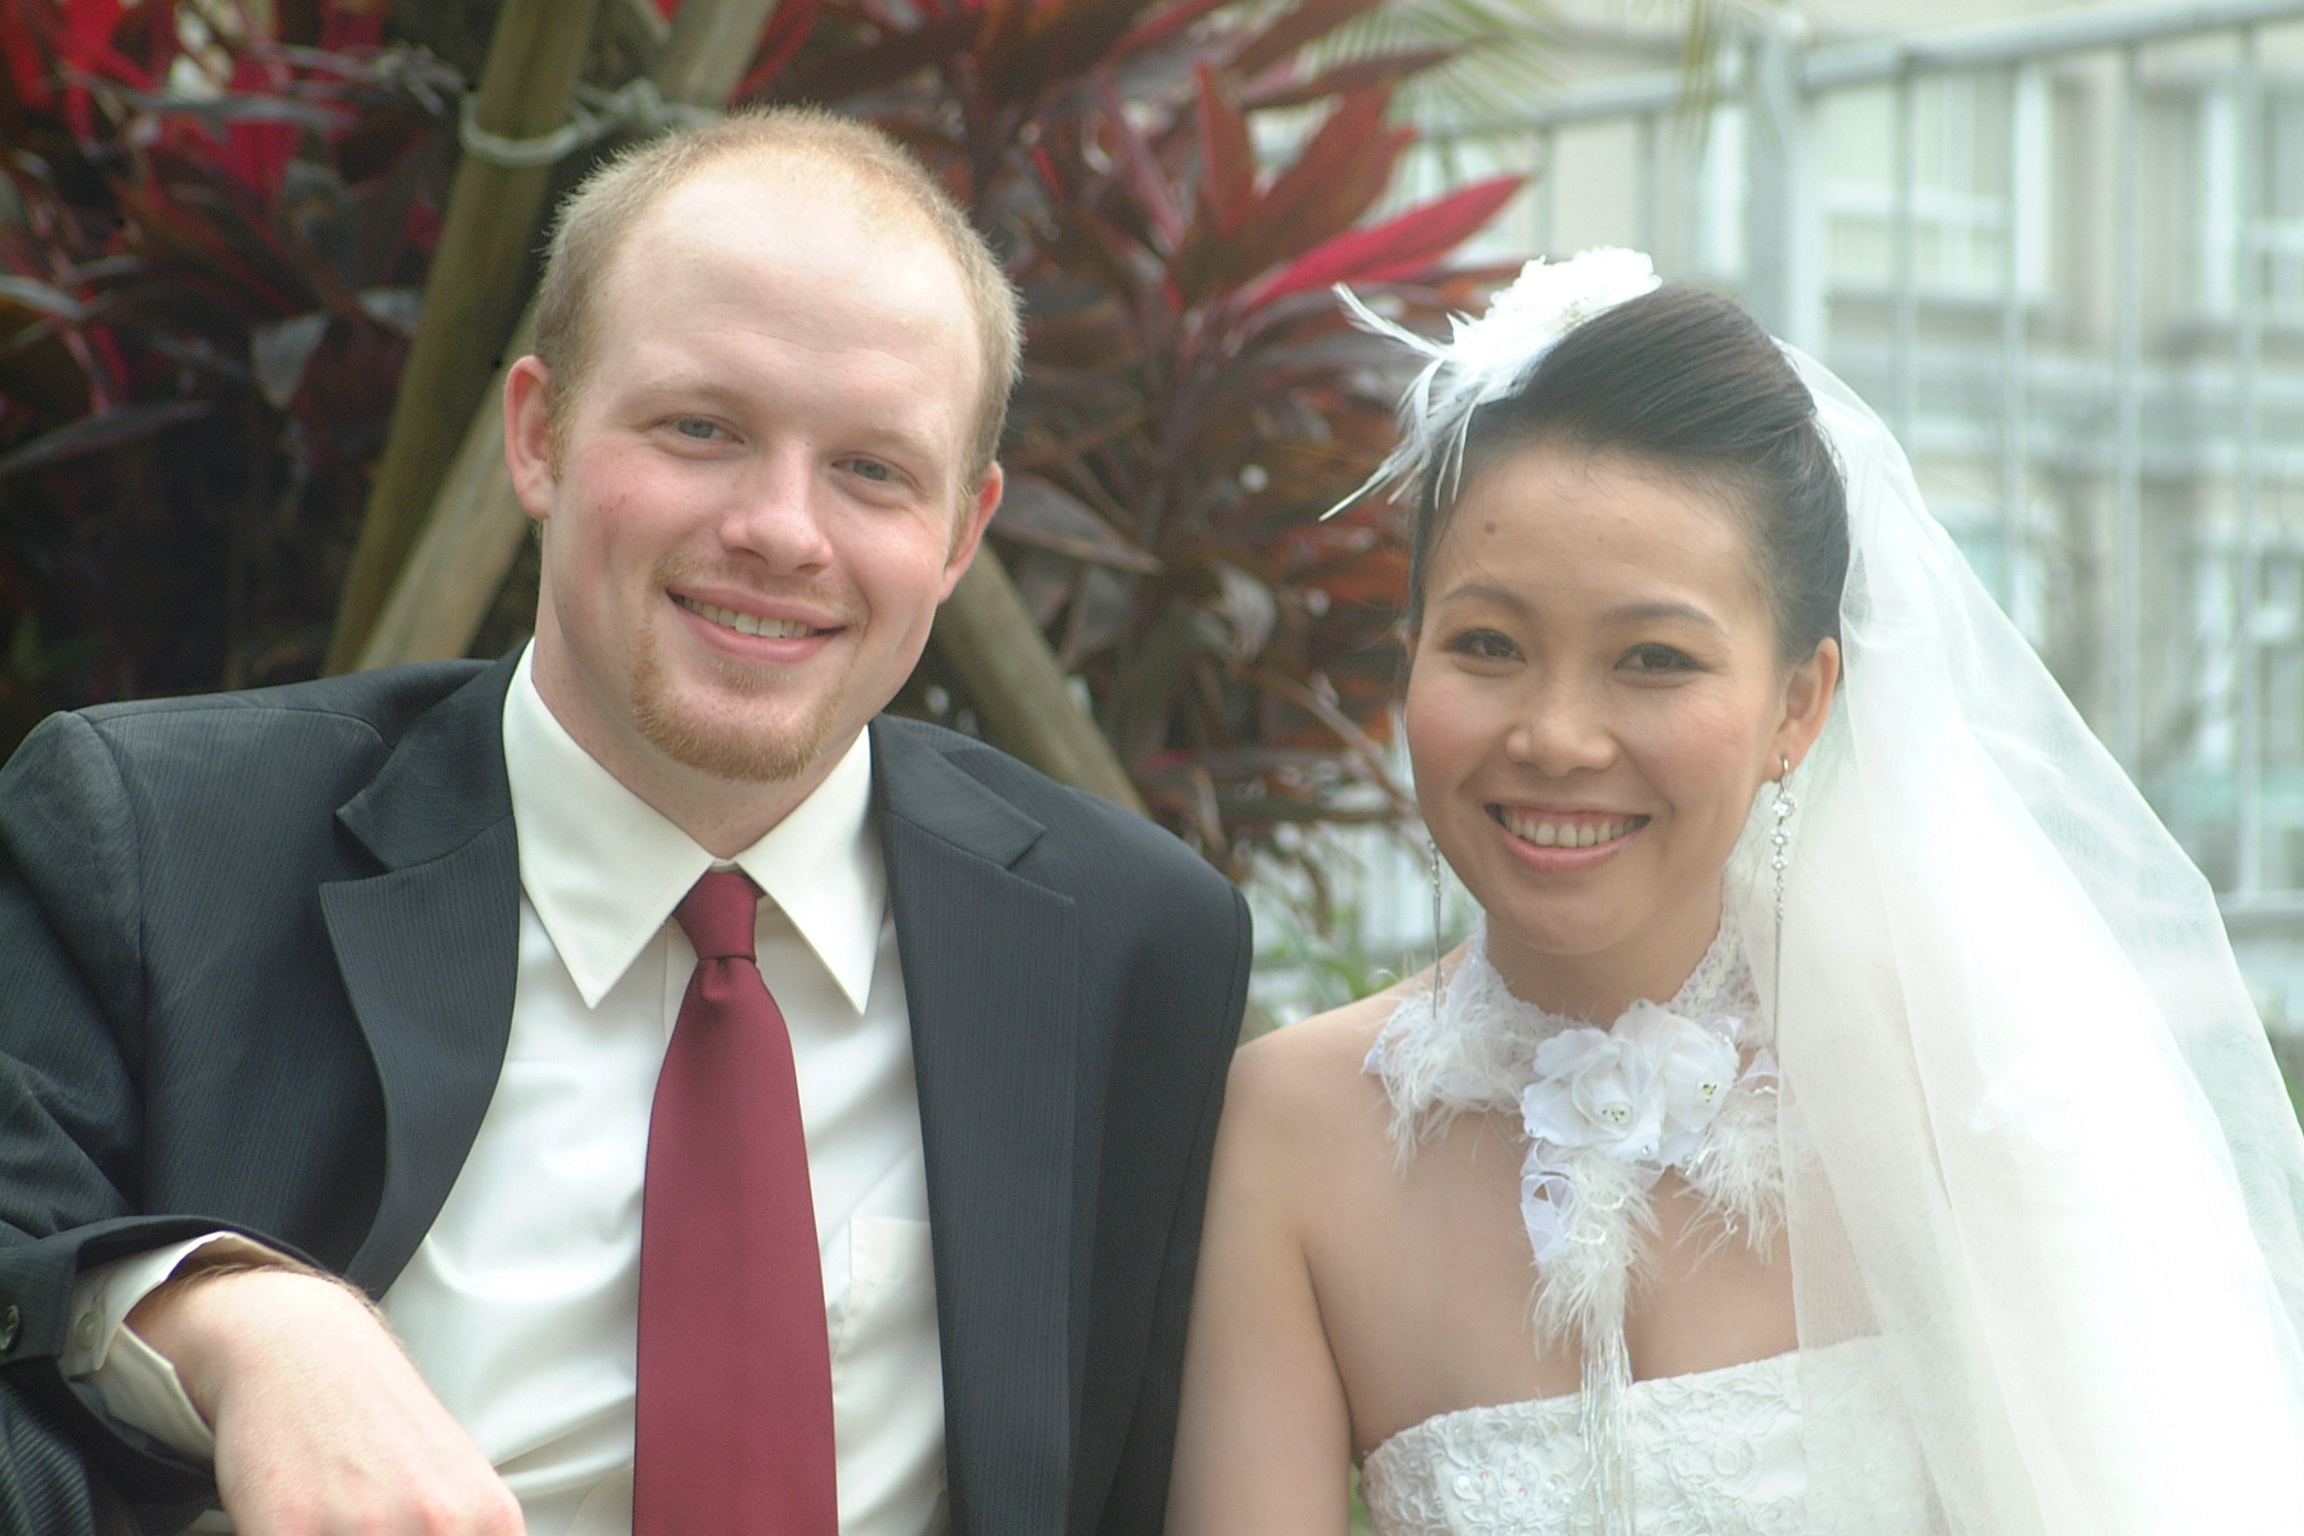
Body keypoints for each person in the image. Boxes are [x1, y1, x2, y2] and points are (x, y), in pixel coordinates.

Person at [0, 107, 1248, 1536]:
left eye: (872, 469)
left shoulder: (1130, 944)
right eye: (701, 429)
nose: (782, 529)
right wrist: (231, 1316)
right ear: (538, 436)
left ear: (962, 533)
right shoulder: (162, 842)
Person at [1166, 251, 2304, 1535]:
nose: (1557, 737)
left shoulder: (1964, 1094)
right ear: (1409, 654)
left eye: (1654, 659)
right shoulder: (1290, 1131)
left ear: (1798, 705)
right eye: (1487, 644)